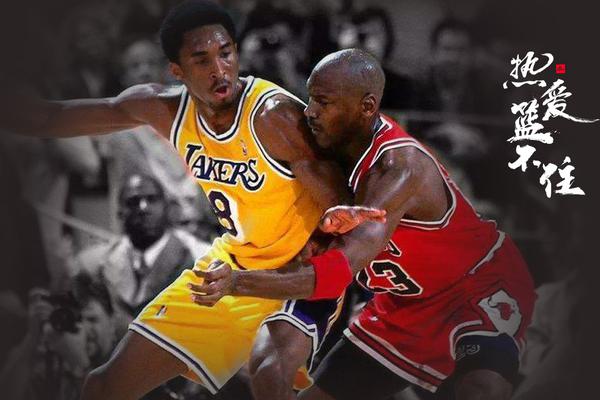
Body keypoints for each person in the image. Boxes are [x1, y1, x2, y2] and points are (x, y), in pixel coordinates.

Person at [0, 1, 384, 399]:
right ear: (177, 71)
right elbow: (48, 118)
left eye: (226, 53)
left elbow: (344, 209)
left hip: (294, 273)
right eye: (202, 60)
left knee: (269, 376)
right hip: (230, 268)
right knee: (102, 386)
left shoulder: (274, 116)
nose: (219, 69)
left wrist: (341, 259)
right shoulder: (163, 109)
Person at [191, 49, 536, 400]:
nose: (310, 111)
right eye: (311, 98)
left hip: (474, 286)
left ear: (367, 106)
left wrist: (237, 281)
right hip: (404, 303)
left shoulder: (399, 168)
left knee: (480, 390)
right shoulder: (322, 148)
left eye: (324, 102)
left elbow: (336, 272)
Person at [76, 173, 210, 335]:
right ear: (119, 212)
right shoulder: (93, 265)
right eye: (133, 202)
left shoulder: (201, 257)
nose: (143, 208)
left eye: (152, 199)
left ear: (167, 207)